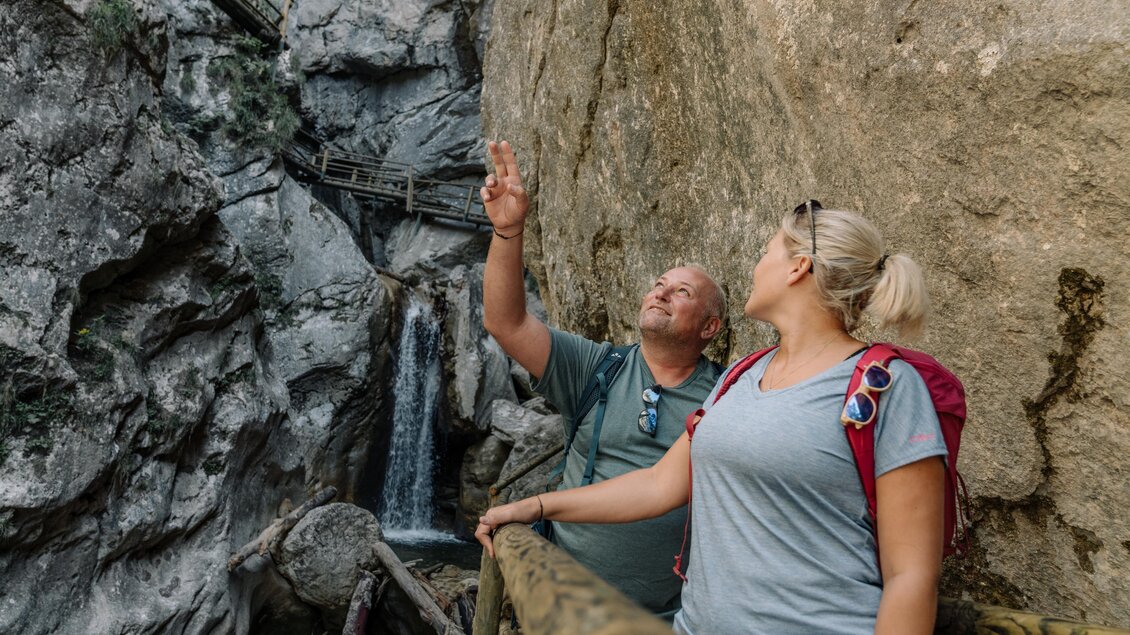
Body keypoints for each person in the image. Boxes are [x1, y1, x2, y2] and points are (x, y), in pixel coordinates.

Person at [476, 200, 948, 635]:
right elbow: (659, 485)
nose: (756, 264)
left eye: (767, 252)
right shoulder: (742, 378)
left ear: (798, 267)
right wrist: (535, 506)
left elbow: (912, 576)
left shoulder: (887, 388)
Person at [479, 140, 725, 618]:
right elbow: (505, 323)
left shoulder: (725, 395)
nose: (661, 293)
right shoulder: (598, 366)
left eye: (681, 292)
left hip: (662, 617)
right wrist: (508, 232)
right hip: (557, 599)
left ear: (709, 327)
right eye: (658, 284)